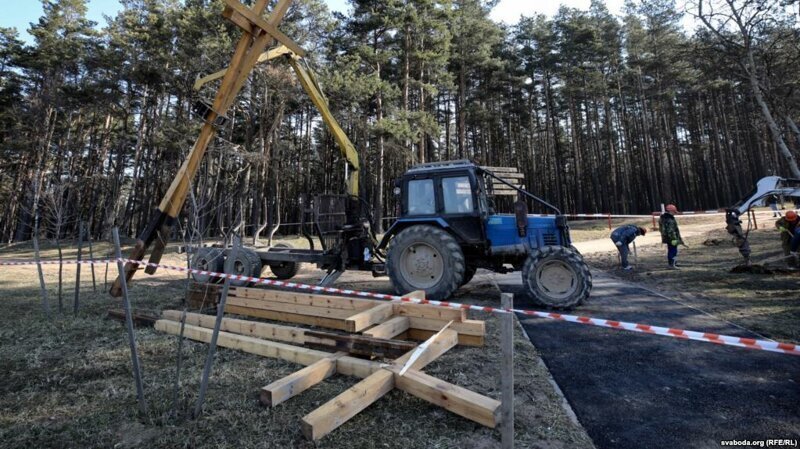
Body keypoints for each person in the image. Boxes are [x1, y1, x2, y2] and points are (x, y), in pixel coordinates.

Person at [659, 204, 684, 269]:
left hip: (667, 237)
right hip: (672, 238)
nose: (674, 213)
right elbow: (671, 230)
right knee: (673, 251)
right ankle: (672, 264)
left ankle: (673, 263)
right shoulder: (669, 219)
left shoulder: (663, 218)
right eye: (674, 212)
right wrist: (674, 239)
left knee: (671, 250)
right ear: (671, 211)